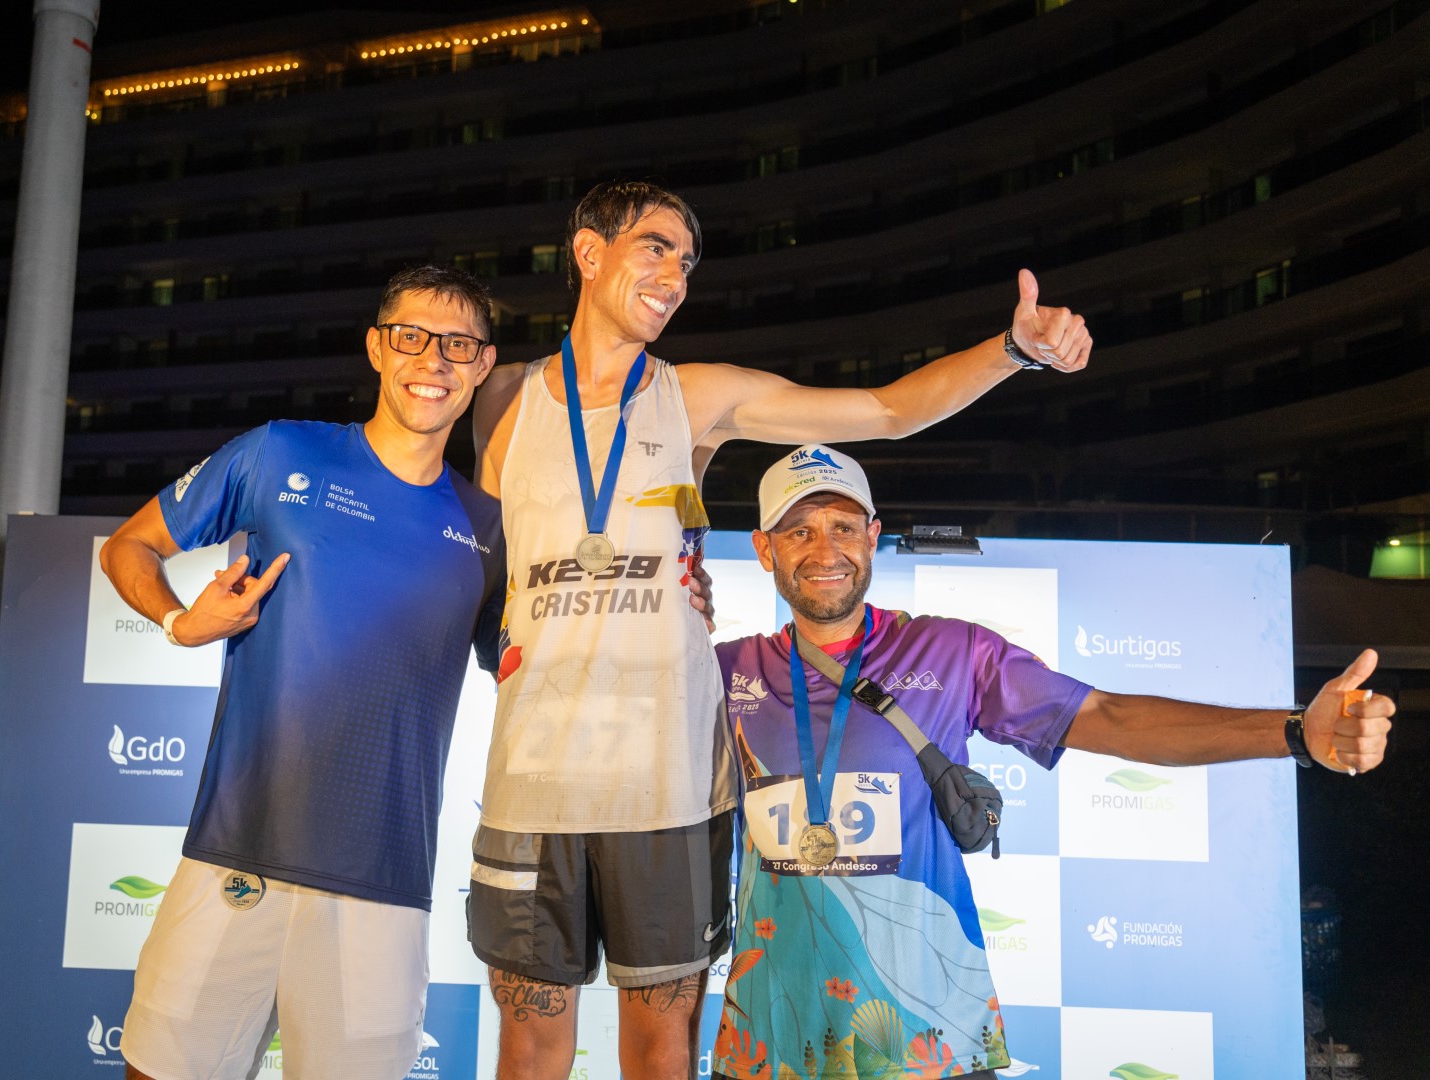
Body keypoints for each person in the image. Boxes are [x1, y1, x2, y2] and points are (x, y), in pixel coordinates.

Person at [466, 180, 1094, 1080]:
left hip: (666, 786)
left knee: (660, 1047)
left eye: (687, 261)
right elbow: (479, 564)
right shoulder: (501, 398)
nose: (675, 276)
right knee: (527, 1043)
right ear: (589, 252)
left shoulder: (696, 396)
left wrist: (1012, 351)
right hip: (533, 778)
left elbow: (886, 411)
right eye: (655, 248)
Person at [708, 445, 1395, 1080]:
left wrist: (1293, 732)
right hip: (770, 1033)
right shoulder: (722, 672)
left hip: (929, 1036)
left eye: (843, 526)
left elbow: (1111, 718)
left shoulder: (950, 652)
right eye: (799, 531)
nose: (825, 550)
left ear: (872, 536)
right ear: (764, 550)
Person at [97, 266, 508, 1080]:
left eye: (458, 345)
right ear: (376, 347)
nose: (432, 359)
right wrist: (181, 621)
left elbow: (525, 660)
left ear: (483, 366)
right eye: (411, 337)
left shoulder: (490, 524)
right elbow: (129, 546)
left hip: (381, 883)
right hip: (236, 853)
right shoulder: (280, 450)